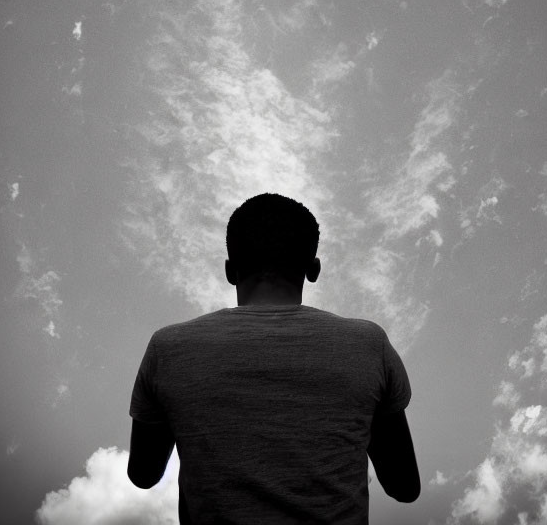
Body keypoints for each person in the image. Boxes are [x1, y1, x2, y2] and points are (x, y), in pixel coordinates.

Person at [128, 192, 420, 523]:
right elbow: (403, 486)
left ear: (230, 270)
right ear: (314, 269)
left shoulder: (168, 348)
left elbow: (144, 474)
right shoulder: (368, 344)